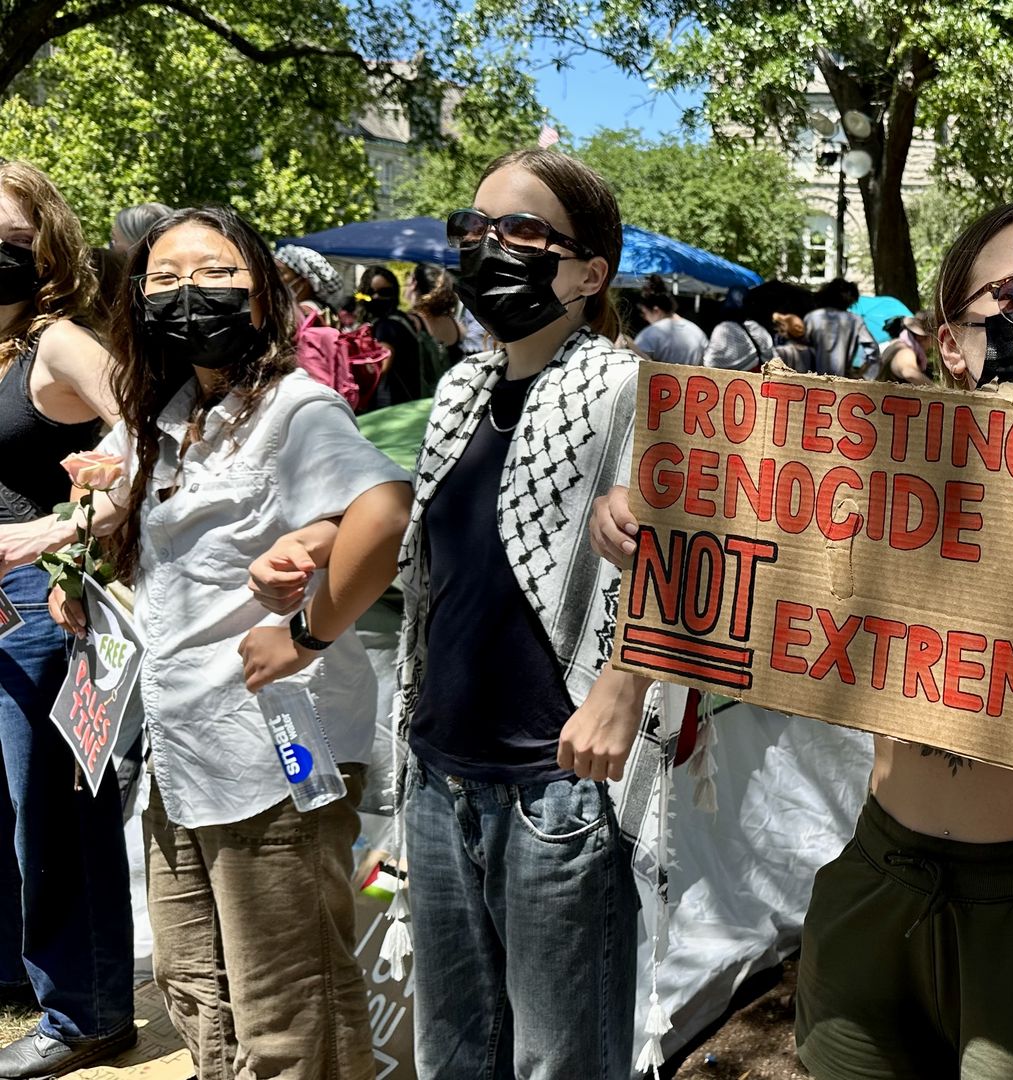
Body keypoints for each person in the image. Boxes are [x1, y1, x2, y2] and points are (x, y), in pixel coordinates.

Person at [588, 197, 1013, 1080]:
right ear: (950, 340)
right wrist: (641, 521)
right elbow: (717, 549)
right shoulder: (872, 474)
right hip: (879, 878)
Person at [58, 205, 410, 1080]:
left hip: (271, 754)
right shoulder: (171, 413)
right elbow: (126, 517)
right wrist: (82, 552)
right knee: (194, 984)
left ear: (261, 297)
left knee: (292, 1006)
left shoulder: (297, 406)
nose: (188, 295)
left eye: (214, 274)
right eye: (165, 279)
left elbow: (380, 512)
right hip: (184, 749)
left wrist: (304, 622)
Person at [403, 149, 649, 1080]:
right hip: (438, 776)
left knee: (561, 1060)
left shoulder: (630, 391)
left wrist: (624, 683)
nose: (490, 248)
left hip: (555, 785)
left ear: (591, 272)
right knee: (453, 1054)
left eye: (523, 232)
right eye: (475, 229)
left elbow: (698, 562)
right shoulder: (461, 391)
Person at [0, 160, 137, 1078]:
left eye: (7, 243)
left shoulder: (57, 345)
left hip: (45, 604)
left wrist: (54, 531)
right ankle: (28, 977)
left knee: (54, 814)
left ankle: (87, 1011)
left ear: (46, 247)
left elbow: (144, 433)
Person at [356, 266, 424, 410]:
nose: (376, 297)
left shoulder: (386, 326)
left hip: (391, 406)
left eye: (384, 292)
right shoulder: (403, 319)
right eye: (370, 293)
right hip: (408, 402)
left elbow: (380, 368)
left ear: (394, 293)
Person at [404, 263, 463, 387]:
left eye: (406, 284)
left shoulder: (413, 321)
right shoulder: (453, 321)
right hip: (451, 391)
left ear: (414, 284)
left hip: (421, 399)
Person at [805, 277, 877, 377]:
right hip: (843, 381)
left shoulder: (812, 318)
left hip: (813, 380)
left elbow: (802, 348)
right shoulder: (855, 320)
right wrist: (862, 372)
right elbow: (873, 349)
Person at [634, 273, 709, 365]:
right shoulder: (697, 332)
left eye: (644, 313)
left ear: (656, 310)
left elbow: (636, 366)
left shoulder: (649, 335)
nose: (645, 318)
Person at [276, 245, 342, 324]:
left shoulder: (304, 314)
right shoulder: (322, 308)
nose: (273, 276)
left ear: (304, 281)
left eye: (280, 272)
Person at [872, 313, 933, 383]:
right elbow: (910, 373)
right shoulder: (905, 351)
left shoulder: (897, 344)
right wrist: (936, 390)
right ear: (921, 337)